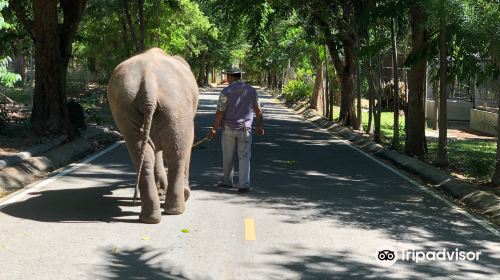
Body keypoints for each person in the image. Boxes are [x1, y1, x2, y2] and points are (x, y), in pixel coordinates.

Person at [209, 67, 264, 193]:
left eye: (227, 77)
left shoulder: (226, 91)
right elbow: (258, 110)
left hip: (228, 128)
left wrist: (213, 129)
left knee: (227, 156)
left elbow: (220, 112)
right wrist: (260, 125)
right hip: (245, 129)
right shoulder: (251, 90)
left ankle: (228, 182)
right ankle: (244, 185)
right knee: (244, 157)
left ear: (230, 77)